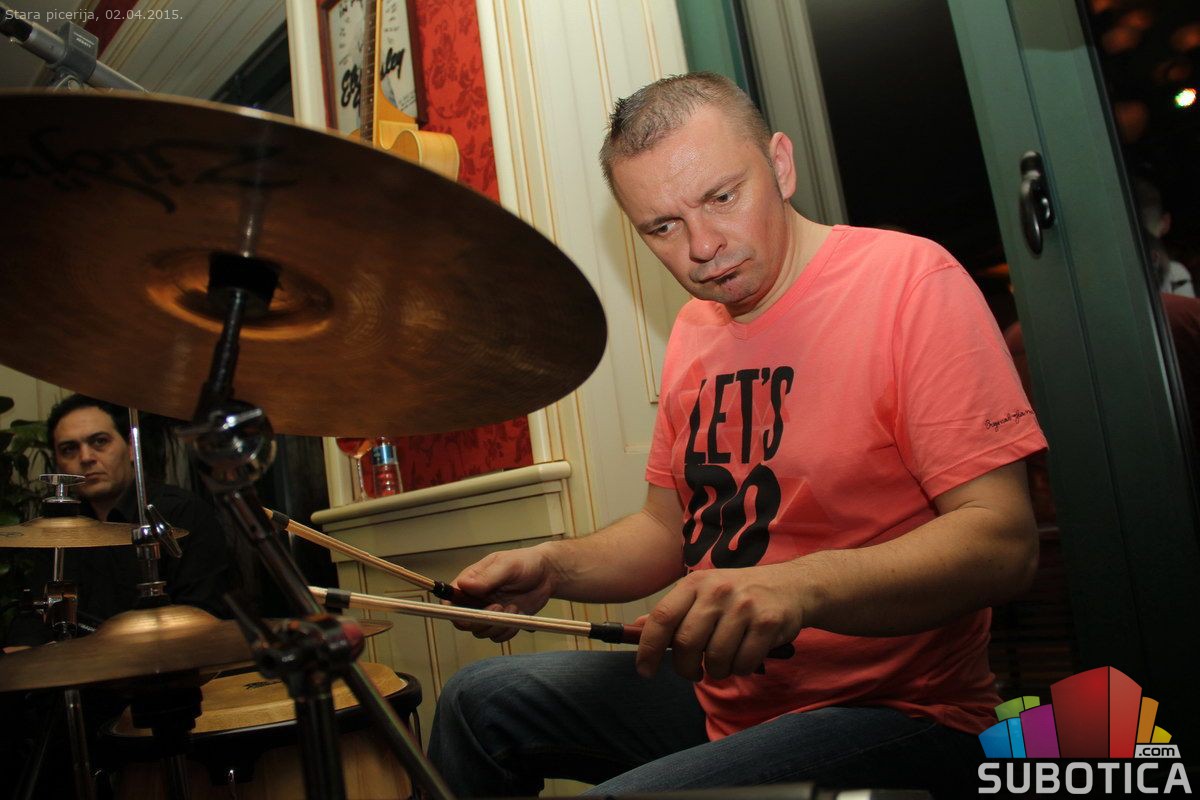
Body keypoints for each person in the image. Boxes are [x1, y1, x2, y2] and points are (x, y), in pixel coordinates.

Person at [428, 72, 1046, 798]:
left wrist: (801, 587)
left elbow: (1003, 544)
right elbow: (668, 531)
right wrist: (553, 568)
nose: (702, 247)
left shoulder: (909, 282)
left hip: (896, 710)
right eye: (662, 227)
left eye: (722, 197)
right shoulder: (697, 327)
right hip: (727, 698)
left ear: (780, 164)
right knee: (478, 701)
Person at [17, 393, 232, 633]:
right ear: (58, 462)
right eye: (69, 449)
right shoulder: (55, 530)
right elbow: (31, 624)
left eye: (99, 441)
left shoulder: (183, 513)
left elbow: (205, 615)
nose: (86, 458)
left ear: (131, 448)